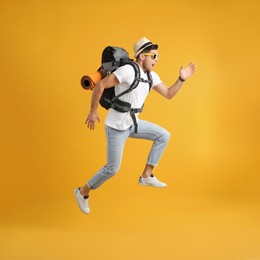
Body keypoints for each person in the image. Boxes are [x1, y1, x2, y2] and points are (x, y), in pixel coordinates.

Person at [74, 37, 196, 214]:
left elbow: (169, 94)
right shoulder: (127, 71)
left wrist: (181, 79)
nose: (157, 59)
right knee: (112, 169)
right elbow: (100, 85)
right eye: (153, 56)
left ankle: (147, 175)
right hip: (116, 126)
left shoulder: (151, 76)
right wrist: (93, 111)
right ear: (141, 56)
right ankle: (82, 191)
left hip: (133, 123)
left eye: (157, 56)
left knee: (163, 135)